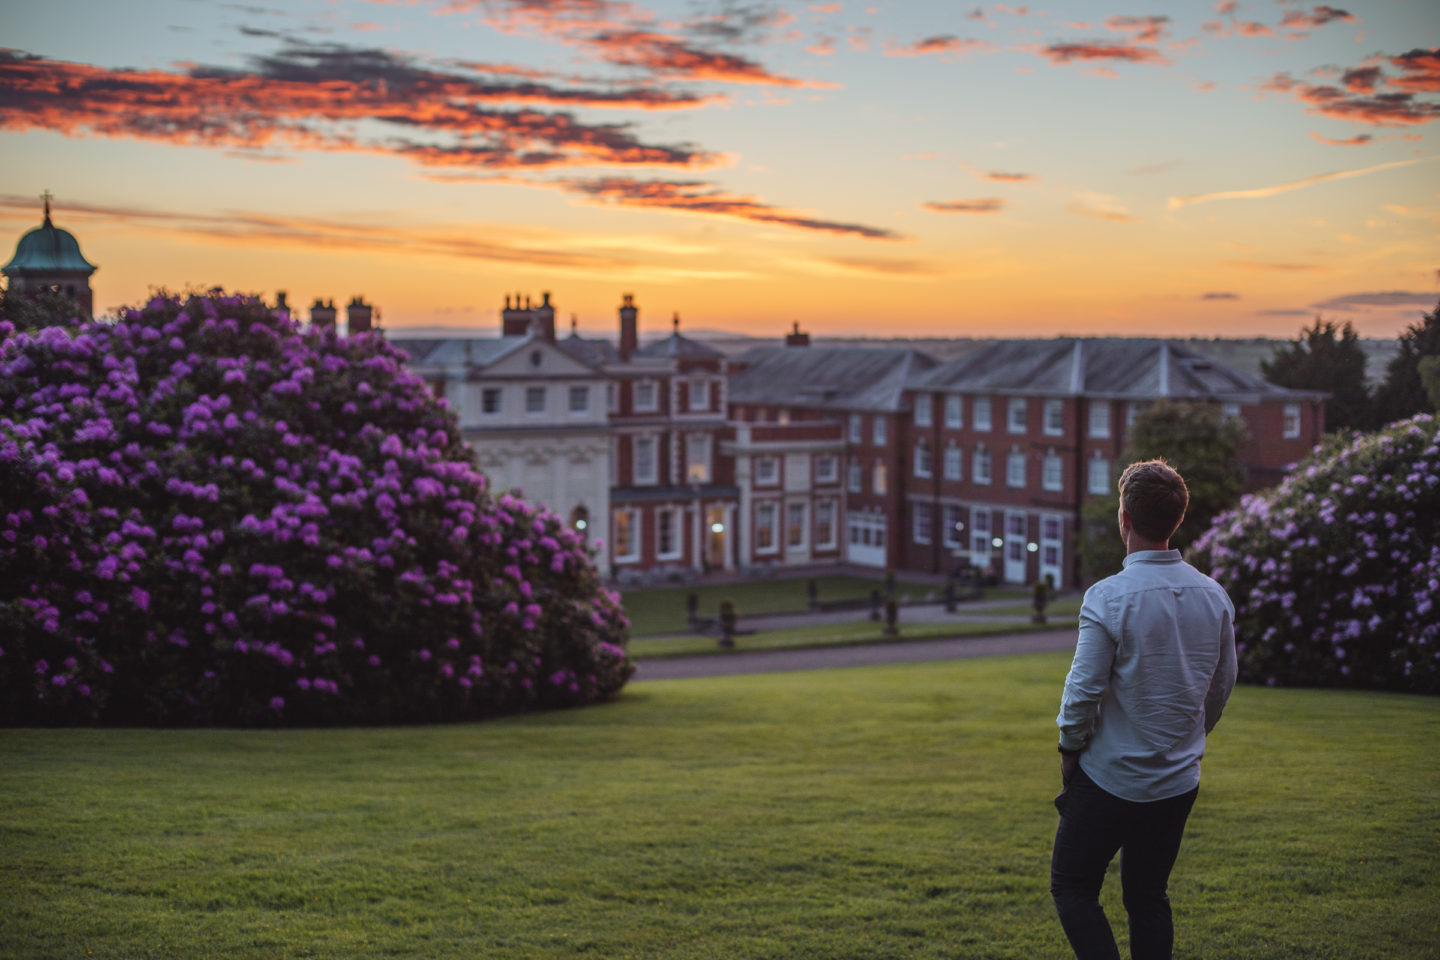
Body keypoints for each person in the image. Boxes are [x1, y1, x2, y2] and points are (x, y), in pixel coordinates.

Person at [1051, 458, 1237, 960]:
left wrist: (1069, 751)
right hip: (1177, 781)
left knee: (1072, 887)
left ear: (1124, 519)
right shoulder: (1214, 596)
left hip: (1108, 777)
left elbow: (1081, 692)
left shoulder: (1108, 596)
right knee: (1148, 897)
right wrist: (1188, 741)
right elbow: (1220, 687)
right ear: (1178, 519)